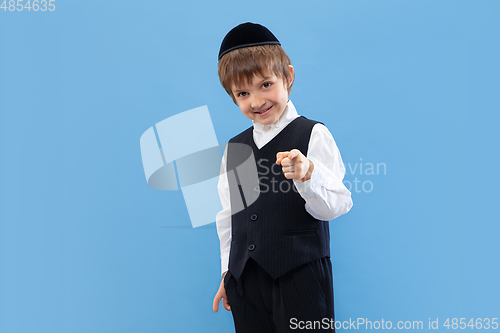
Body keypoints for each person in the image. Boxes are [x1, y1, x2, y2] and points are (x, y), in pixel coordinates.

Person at [212, 22, 353, 332]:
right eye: (243, 93)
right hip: (246, 283)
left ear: (288, 76)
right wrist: (228, 273)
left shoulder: (312, 134)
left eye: (266, 85)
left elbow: (338, 205)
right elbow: (229, 216)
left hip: (299, 278)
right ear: (234, 98)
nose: (257, 101)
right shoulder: (236, 148)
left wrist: (307, 176)